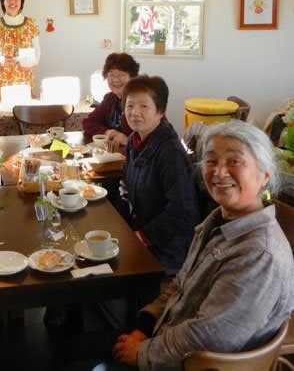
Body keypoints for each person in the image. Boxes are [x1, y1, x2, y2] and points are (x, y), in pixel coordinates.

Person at [67, 121, 294, 370]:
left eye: (234, 161)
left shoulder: (258, 254)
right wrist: (144, 327)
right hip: (168, 334)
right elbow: (181, 284)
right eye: (210, 161)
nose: (219, 172)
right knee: (69, 344)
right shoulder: (218, 220)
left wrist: (143, 352)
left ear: (264, 175)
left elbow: (208, 336)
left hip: (190, 362)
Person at [117, 75, 200, 274]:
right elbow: (127, 185)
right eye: (130, 106)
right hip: (140, 232)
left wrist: (142, 237)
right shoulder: (134, 139)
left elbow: (181, 209)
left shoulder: (169, 151)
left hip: (167, 249)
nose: (135, 112)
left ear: (160, 111)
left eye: (144, 106)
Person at [0, 0, 41, 99]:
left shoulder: (31, 23)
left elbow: (37, 48)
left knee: (25, 112)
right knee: (1, 113)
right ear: (3, 2)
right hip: (2, 77)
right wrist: (0, 59)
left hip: (24, 76)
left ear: (21, 1)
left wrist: (35, 64)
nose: (12, 1)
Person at [82, 52, 140, 147]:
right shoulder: (110, 98)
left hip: (137, 158)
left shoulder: (142, 100)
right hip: (113, 155)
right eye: (111, 74)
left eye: (121, 75)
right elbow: (87, 122)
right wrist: (106, 132)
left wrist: (128, 140)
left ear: (132, 77)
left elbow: (156, 137)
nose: (116, 80)